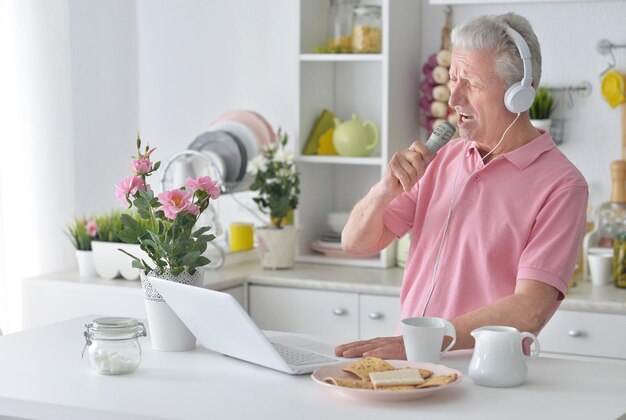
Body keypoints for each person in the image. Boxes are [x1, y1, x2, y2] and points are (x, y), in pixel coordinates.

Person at [335, 12, 588, 359]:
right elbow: (354, 242)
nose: (454, 98)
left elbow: (532, 308)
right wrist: (384, 191)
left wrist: (425, 341)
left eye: (471, 82)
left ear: (520, 94)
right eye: (453, 79)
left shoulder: (562, 185)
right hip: (412, 363)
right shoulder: (441, 159)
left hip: (486, 376)